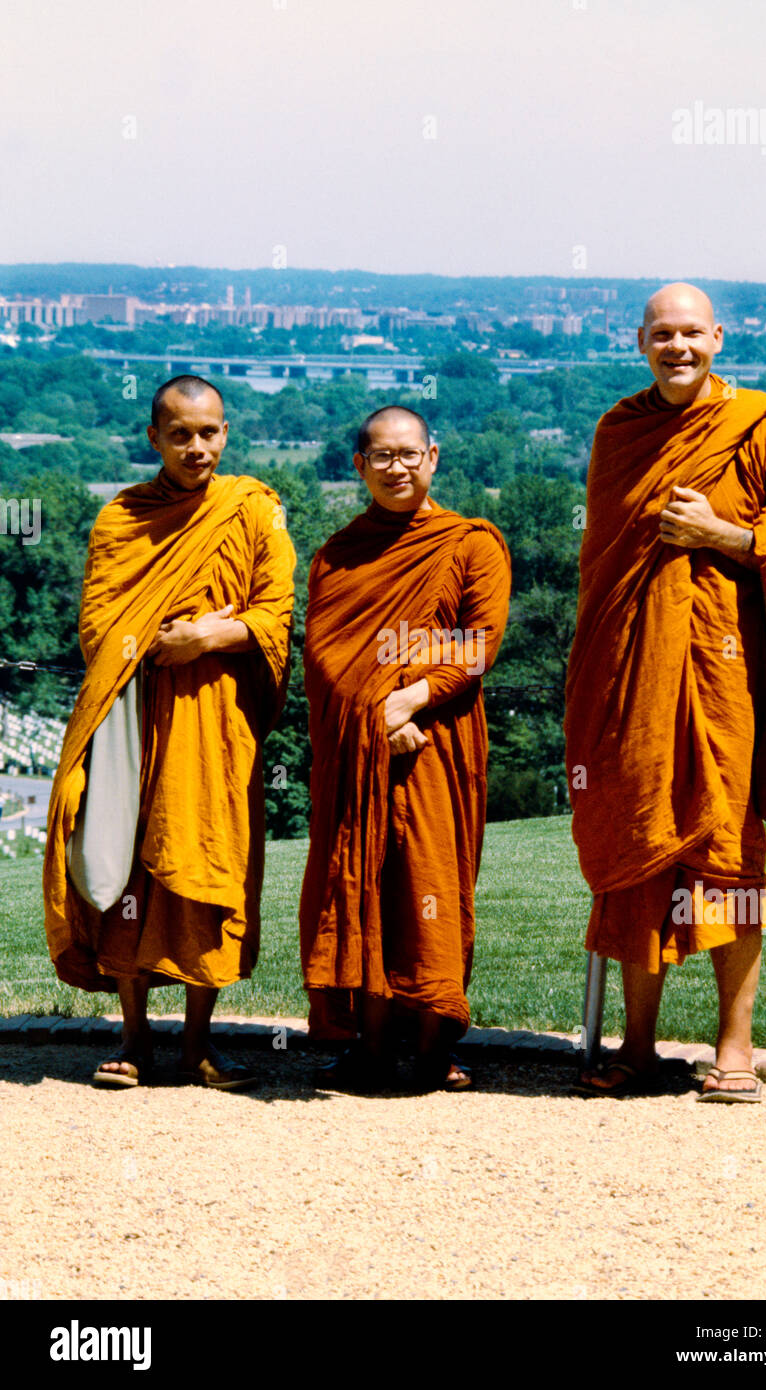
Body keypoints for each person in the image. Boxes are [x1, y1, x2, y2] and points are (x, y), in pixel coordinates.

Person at [565, 283, 766, 1102]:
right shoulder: (620, 432)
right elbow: (602, 568)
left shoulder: (764, 429)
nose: (676, 346)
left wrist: (724, 537)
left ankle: (735, 1047)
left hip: (725, 675)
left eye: (691, 332)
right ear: (638, 341)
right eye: (662, 334)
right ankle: (637, 1046)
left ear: (717, 337)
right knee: (637, 844)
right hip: (629, 674)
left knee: (725, 853)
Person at [44, 376, 296, 1090]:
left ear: (226, 432)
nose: (196, 447)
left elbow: (276, 613)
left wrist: (212, 634)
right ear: (153, 437)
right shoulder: (125, 516)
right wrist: (163, 642)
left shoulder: (253, 510)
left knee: (205, 866)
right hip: (132, 721)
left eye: (209, 432)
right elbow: (98, 626)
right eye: (180, 433)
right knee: (125, 861)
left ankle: (198, 1044)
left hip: (216, 722)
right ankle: (133, 1039)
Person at [299, 404, 511, 1092]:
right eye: (381, 457)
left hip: (439, 744)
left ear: (433, 458)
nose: (397, 467)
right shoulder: (338, 554)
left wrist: (410, 698)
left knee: (429, 883)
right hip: (363, 752)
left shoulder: (470, 543)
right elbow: (327, 656)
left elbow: (477, 643)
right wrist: (377, 715)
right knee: (363, 883)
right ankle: (369, 1045)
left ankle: (430, 1045)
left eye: (408, 454)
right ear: (359, 466)